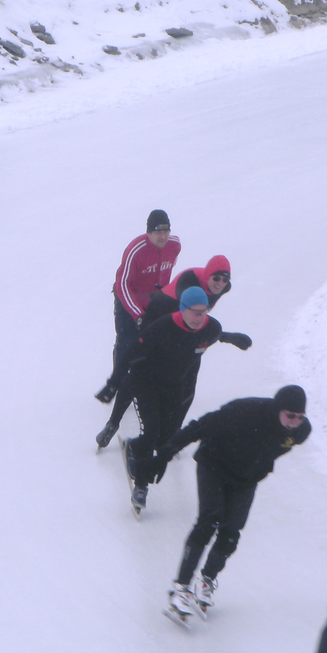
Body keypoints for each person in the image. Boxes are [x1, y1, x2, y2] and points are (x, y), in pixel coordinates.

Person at [155, 385, 310, 618]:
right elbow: (201, 426)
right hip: (214, 465)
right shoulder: (244, 412)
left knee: (231, 533)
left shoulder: (299, 432)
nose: (294, 422)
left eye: (300, 417)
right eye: (290, 415)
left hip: (246, 478)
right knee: (208, 521)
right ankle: (181, 587)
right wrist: (166, 452)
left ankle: (207, 579)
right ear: (278, 409)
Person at [96, 255, 249, 449]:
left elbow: (197, 321)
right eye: (216, 278)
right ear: (207, 275)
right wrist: (224, 336)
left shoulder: (221, 288)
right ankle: (113, 423)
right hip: (158, 320)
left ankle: (171, 435)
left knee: (188, 382)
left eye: (225, 279)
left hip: (186, 327)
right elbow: (185, 318)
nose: (220, 284)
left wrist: (221, 336)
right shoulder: (189, 282)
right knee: (140, 372)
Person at [120, 286, 223, 512]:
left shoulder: (212, 329)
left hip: (174, 386)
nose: (200, 317)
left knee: (166, 436)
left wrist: (229, 337)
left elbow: (201, 342)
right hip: (146, 382)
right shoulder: (162, 327)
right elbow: (131, 352)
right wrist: (114, 383)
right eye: (195, 312)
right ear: (182, 309)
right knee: (152, 430)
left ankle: (134, 446)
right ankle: (141, 486)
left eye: (203, 312)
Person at [95, 210, 181, 404]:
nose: (163, 236)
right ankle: (118, 384)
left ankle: (147, 384)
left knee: (156, 344)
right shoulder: (136, 250)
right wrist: (137, 314)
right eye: (158, 232)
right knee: (127, 342)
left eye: (166, 231)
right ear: (148, 232)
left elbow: (168, 271)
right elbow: (122, 285)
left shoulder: (175, 245)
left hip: (155, 301)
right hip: (128, 299)